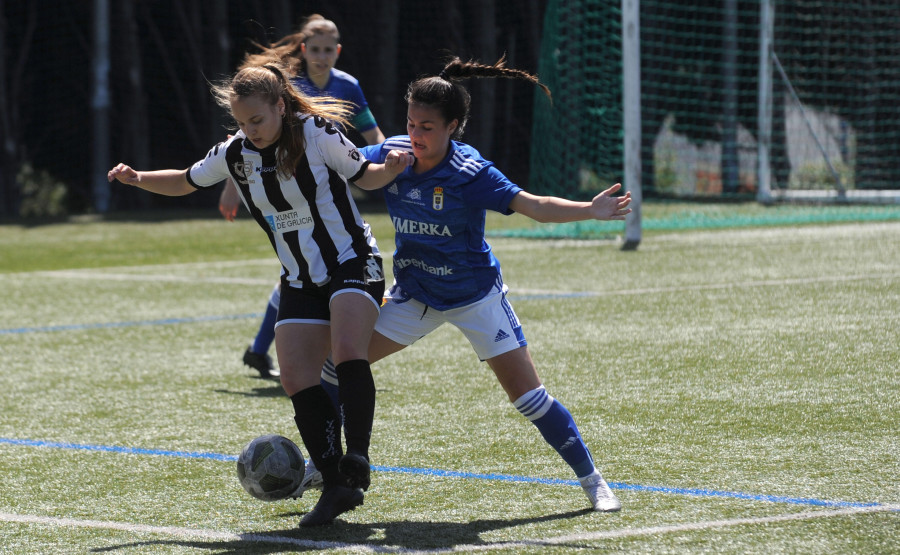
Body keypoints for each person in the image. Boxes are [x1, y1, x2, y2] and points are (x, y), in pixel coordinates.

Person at [108, 62, 414, 527]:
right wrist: (139, 178)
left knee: (349, 351)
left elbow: (364, 177)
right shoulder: (235, 153)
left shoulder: (317, 132)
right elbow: (186, 179)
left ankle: (359, 456)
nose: (249, 131)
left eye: (258, 120)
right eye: (241, 122)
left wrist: (388, 169)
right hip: (298, 277)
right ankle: (337, 486)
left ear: (279, 106)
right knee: (295, 377)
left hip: (353, 261)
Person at [321, 55, 631, 512]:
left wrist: (591, 209)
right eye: (411, 122)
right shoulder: (392, 156)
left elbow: (534, 204)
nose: (416, 134)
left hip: (475, 298)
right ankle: (325, 466)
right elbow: (338, 161)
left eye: (427, 126)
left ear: (454, 126)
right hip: (414, 297)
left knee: (528, 397)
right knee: (336, 367)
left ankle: (592, 480)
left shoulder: (471, 173)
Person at [221, 14, 386, 380]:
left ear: (338, 51)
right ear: (303, 49)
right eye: (316, 49)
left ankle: (265, 350)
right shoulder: (286, 87)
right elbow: (243, 141)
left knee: (309, 269)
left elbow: (372, 133)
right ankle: (272, 350)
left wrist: (388, 162)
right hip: (283, 190)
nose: (322, 55)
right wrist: (232, 185)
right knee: (300, 271)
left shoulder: (349, 86)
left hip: (325, 188)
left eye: (329, 49)